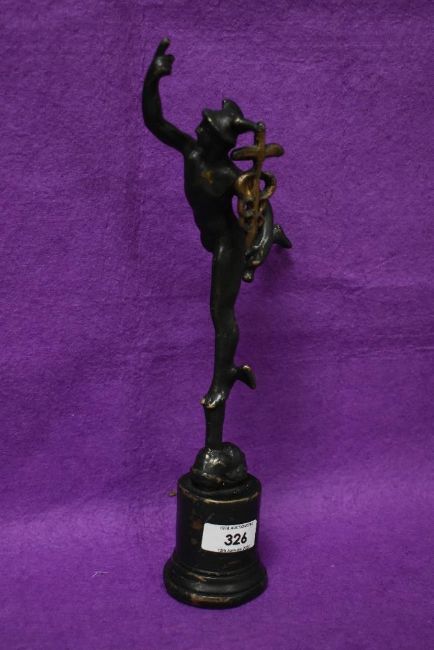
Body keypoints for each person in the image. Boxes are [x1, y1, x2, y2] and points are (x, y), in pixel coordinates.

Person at [142, 38, 291, 415]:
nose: (198, 128)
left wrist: (259, 223)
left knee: (221, 311)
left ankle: (221, 377)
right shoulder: (191, 152)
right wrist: (153, 78)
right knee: (235, 279)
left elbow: (258, 202)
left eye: (206, 127)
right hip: (211, 237)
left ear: (219, 140)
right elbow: (155, 122)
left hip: (227, 242)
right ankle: (268, 241)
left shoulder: (229, 175)